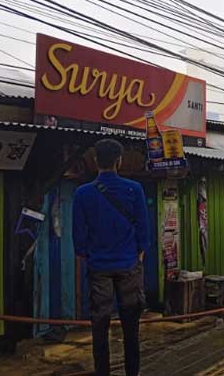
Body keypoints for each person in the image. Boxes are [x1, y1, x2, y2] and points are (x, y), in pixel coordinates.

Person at [73, 139, 151, 376]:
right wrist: (137, 255)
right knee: (131, 329)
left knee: (100, 328)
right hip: (129, 266)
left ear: (96, 161)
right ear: (119, 161)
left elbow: (78, 237)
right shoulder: (134, 189)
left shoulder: (82, 193)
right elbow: (144, 233)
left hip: (99, 268)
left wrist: (90, 255)